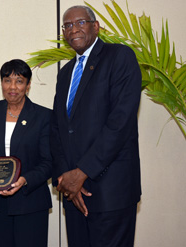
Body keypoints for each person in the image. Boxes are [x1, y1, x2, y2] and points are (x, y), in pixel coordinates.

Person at [51, 5, 142, 247]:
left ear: (95, 26)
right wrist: (66, 181)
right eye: (67, 25)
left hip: (111, 191)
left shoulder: (120, 57)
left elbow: (120, 123)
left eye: (80, 22)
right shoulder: (65, 72)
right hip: (74, 195)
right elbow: (58, 129)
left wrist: (82, 172)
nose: (74, 29)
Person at [0, 59, 53, 247]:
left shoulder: (44, 116)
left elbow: (49, 162)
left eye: (19, 81)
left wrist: (24, 180)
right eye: (7, 80)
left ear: (28, 85)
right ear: (1, 83)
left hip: (31, 201)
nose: (12, 87)